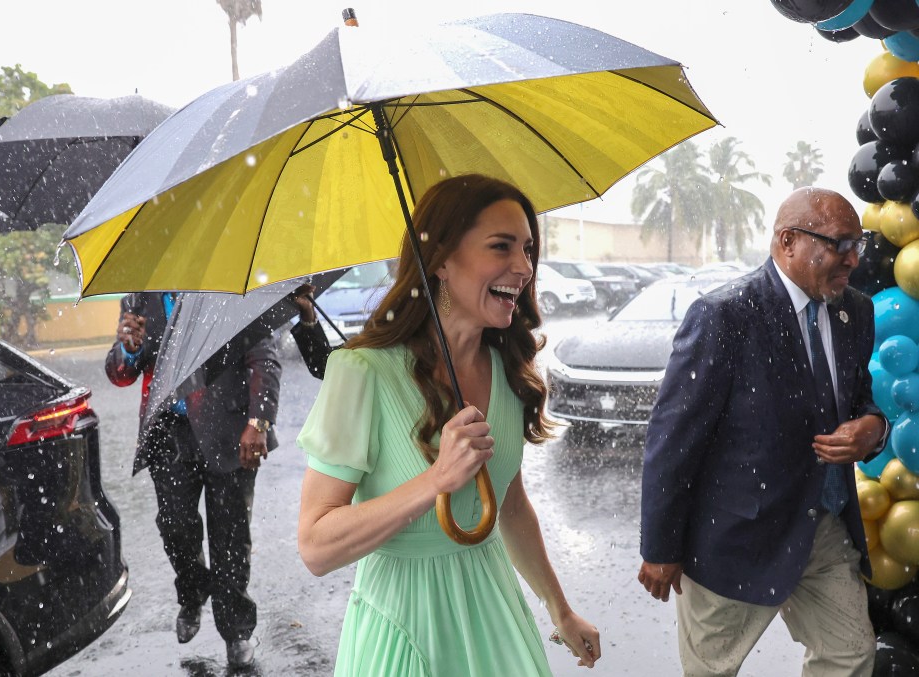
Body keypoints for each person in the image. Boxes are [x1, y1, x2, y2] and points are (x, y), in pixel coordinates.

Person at [296, 174, 601, 675]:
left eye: (528, 248)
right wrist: (435, 481)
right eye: (501, 247)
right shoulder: (362, 373)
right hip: (404, 626)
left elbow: (510, 504)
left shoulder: (507, 370)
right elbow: (315, 545)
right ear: (439, 260)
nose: (524, 267)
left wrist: (559, 609)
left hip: (493, 614)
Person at [637, 187, 890, 675]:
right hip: (735, 537)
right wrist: (660, 548)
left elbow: (861, 400)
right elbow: (673, 439)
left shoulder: (855, 311)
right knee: (712, 669)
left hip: (825, 527)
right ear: (788, 241)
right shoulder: (724, 315)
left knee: (851, 656)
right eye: (841, 243)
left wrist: (873, 428)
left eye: (859, 244)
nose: (853, 259)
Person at [105, 285, 329, 668]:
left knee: (230, 535)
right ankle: (192, 592)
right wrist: (129, 348)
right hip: (169, 434)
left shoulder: (230, 288)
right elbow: (121, 373)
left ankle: (236, 629)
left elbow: (264, 357)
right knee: (175, 527)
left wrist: (258, 422)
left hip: (230, 428)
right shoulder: (140, 297)